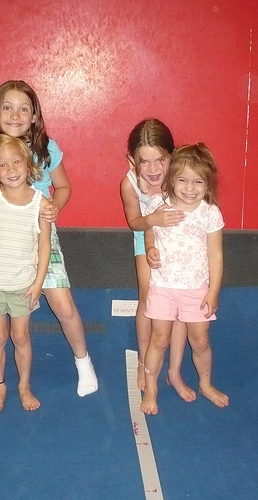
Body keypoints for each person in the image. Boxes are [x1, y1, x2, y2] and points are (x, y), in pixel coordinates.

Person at [0, 80, 98, 398]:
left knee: (63, 306)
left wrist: (55, 206)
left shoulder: (46, 148)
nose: (15, 114)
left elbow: (64, 187)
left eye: (23, 108)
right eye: (8, 107)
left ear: (34, 115)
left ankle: (84, 362)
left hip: (37, 230)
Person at [141, 143, 229, 415]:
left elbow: (215, 254)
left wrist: (213, 291)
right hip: (163, 285)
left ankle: (205, 383)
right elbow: (149, 231)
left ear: (207, 184)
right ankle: (152, 388)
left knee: (200, 340)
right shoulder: (159, 204)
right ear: (172, 179)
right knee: (159, 339)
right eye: (183, 180)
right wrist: (150, 248)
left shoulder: (209, 213)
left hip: (195, 288)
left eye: (198, 182)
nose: (190, 188)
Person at [0, 134, 51, 411]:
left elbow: (44, 246)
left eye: (16, 162)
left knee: (21, 336)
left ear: (28, 164)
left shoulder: (41, 204)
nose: (11, 170)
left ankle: (24, 386)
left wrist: (38, 283)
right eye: (2, 165)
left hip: (22, 286)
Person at [120, 119, 196, 403]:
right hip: (145, 237)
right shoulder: (129, 184)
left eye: (160, 160)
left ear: (171, 156)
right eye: (145, 162)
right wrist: (152, 217)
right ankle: (143, 360)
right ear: (132, 160)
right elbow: (134, 222)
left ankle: (173, 371)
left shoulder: (181, 174)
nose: (153, 170)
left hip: (179, 241)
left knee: (177, 305)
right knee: (148, 298)